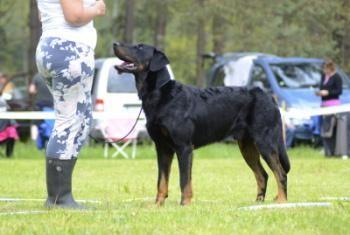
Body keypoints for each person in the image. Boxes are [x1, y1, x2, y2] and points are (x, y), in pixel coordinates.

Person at [35, 0, 106, 209]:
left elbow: (43, 16)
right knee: (69, 122)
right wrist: (96, 9)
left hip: (51, 47)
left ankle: (60, 195)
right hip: (70, 50)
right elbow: (74, 16)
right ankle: (59, 198)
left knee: (79, 121)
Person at [315, 59, 343, 157]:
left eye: (325, 69)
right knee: (323, 127)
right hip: (323, 104)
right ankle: (326, 149)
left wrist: (328, 93)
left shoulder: (337, 77)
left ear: (330, 68)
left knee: (330, 127)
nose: (324, 71)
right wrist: (319, 92)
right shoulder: (324, 76)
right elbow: (321, 87)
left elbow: (339, 91)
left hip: (333, 105)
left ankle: (333, 149)